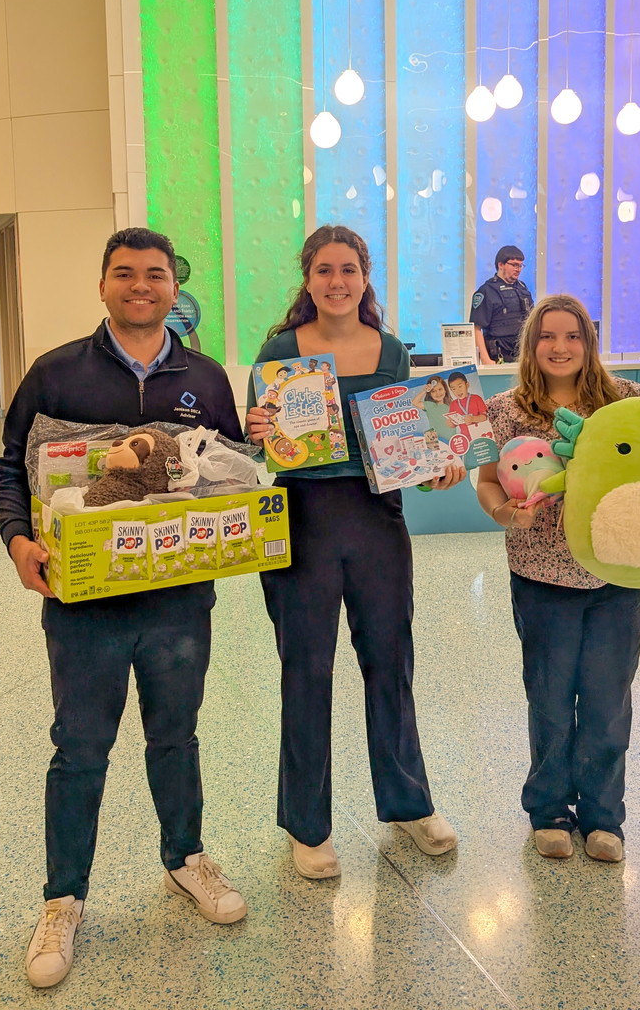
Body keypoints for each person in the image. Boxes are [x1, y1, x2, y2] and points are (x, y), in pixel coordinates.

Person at [0, 228, 248, 989]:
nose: (141, 286)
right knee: (79, 749)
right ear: (102, 284)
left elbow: (232, 470)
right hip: (84, 606)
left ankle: (185, 858)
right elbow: (9, 471)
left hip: (178, 600)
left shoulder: (205, 376)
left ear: (175, 288)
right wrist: (18, 542)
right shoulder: (55, 372)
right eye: (125, 273)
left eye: (155, 275)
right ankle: (63, 900)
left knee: (176, 735)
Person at [245, 225, 463, 880]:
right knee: (305, 670)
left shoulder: (391, 350)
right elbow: (259, 446)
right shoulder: (280, 351)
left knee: (390, 662)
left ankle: (408, 803)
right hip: (302, 520)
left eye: (348, 269)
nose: (336, 281)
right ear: (307, 279)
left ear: (364, 277)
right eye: (324, 270)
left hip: (375, 519)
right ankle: (307, 826)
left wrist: (436, 468)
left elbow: (407, 447)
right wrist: (256, 430)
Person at [475, 294, 640, 863]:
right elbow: (486, 482)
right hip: (541, 576)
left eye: (573, 336)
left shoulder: (631, 402)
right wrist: (505, 513)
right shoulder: (503, 410)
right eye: (547, 336)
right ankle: (549, 812)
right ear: (531, 344)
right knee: (550, 702)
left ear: (589, 342)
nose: (560, 347)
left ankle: (605, 817)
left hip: (618, 578)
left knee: (608, 702)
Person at [469, 245, 534, 364]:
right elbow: (476, 328)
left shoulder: (523, 289)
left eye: (520, 266)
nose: (518, 269)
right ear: (500, 265)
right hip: (498, 357)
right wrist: (485, 359)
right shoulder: (486, 291)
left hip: (523, 356)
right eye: (514, 265)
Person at [447, 371, 490, 442]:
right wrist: (451, 424)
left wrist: (473, 419)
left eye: (460, 386)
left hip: (480, 436)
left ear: (467, 385)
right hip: (465, 439)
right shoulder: (453, 405)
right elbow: (455, 424)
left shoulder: (477, 398)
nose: (457, 390)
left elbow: (484, 417)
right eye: (454, 389)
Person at [411, 374, 455, 442]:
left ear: (445, 390)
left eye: (440, 389)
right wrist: (424, 390)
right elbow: (414, 402)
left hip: (451, 438)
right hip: (433, 439)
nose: (438, 393)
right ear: (430, 394)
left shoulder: (451, 406)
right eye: (433, 391)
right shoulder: (430, 405)